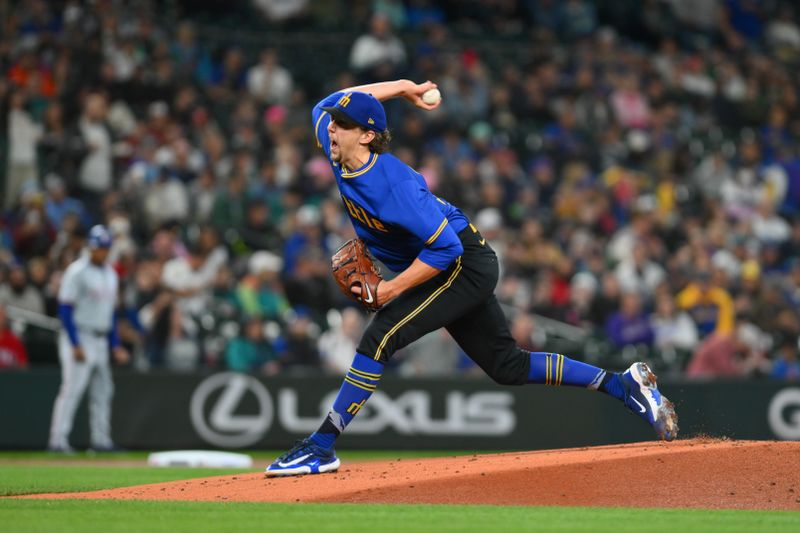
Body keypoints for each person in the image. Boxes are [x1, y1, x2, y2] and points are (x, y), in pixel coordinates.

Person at [265, 79, 679, 476]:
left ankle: (320, 446)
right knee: (507, 366)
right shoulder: (337, 144)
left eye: (343, 124)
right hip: (447, 260)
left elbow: (447, 249)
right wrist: (404, 87)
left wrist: (390, 288)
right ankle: (623, 386)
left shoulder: (392, 188)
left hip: (461, 263)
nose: (330, 128)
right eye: (335, 123)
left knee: (380, 337)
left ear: (368, 137)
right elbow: (336, 100)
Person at [48, 225, 129, 453]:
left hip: (101, 338)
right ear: (90, 247)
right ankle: (57, 441)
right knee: (72, 389)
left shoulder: (111, 273)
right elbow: (64, 309)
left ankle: (101, 441)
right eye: (98, 248)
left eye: (105, 248)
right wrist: (75, 343)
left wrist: (115, 344)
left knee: (103, 391)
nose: (101, 252)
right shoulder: (77, 271)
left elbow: (112, 313)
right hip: (80, 335)